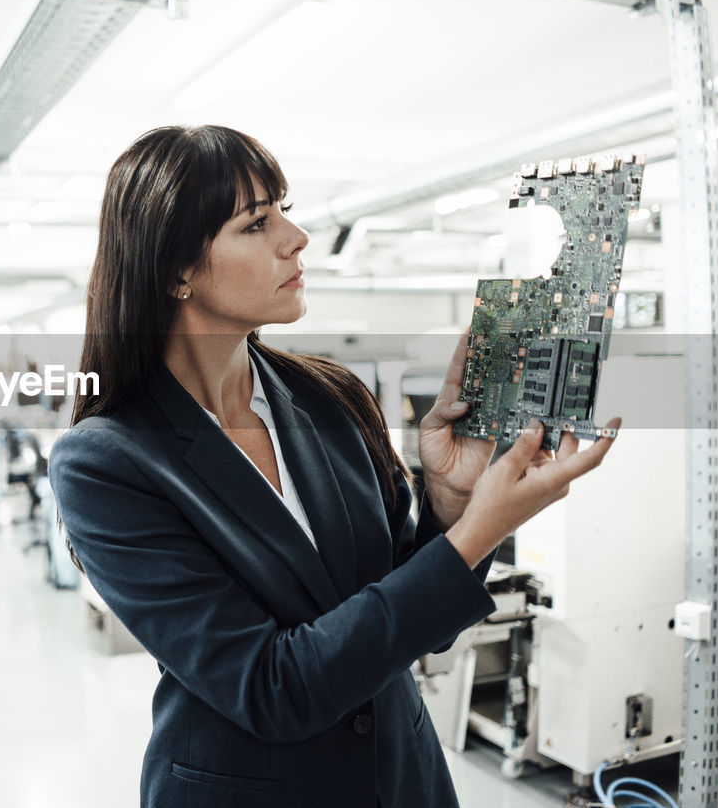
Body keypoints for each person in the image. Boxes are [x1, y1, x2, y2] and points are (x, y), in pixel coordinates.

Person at [48, 125, 619, 808]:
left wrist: (451, 503)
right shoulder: (108, 463)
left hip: (402, 779)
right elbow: (270, 688)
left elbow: (411, 617)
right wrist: (479, 531)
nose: (297, 238)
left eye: (282, 210)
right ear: (176, 271)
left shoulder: (332, 397)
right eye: (257, 223)